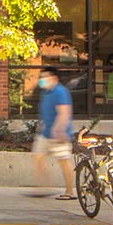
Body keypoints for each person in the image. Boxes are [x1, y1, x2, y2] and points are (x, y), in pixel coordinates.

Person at [30, 66, 76, 201]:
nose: (42, 80)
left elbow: (64, 113)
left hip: (59, 134)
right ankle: (43, 188)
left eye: (45, 77)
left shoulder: (60, 92)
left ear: (54, 78)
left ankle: (69, 191)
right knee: (37, 157)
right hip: (44, 134)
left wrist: (59, 130)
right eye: (42, 77)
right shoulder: (45, 92)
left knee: (63, 161)